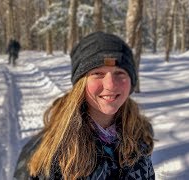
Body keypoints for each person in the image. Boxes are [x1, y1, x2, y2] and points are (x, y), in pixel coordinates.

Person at [13, 31, 155, 180]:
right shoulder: (47, 150)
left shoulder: (140, 134)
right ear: (81, 82)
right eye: (98, 73)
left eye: (119, 73)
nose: (110, 84)